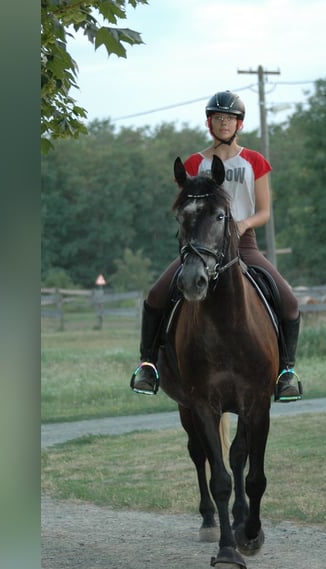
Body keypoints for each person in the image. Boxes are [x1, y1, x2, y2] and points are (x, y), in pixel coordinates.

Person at [129, 90, 302, 402]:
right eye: (219, 118)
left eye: (230, 119)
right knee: (156, 295)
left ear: (239, 124)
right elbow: (184, 206)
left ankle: (286, 372)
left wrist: (243, 224)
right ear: (210, 122)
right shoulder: (194, 162)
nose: (224, 123)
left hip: (243, 244)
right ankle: (148, 365)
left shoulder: (255, 161)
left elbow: (264, 211)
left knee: (289, 301)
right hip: (201, 245)